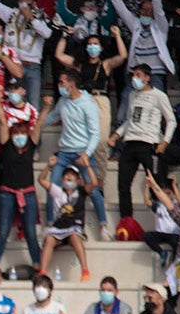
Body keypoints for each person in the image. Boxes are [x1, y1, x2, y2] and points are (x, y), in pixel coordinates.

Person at [54, 26, 128, 192]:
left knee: (101, 142)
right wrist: (65, 36)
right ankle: (80, 180)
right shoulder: (80, 64)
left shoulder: (105, 64)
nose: (92, 47)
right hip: (83, 101)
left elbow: (123, 56)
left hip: (101, 100)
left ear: (101, 47)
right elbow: (59, 56)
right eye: (90, 44)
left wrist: (117, 35)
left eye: (96, 44)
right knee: (83, 140)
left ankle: (99, 182)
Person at [42, 70, 110, 240]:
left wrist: (87, 154)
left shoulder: (88, 104)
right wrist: (35, 124)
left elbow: (95, 134)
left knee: (93, 189)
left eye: (61, 82)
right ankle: (51, 223)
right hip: (64, 152)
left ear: (71, 84)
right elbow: (52, 117)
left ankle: (103, 225)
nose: (59, 86)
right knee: (53, 187)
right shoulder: (63, 102)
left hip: (82, 152)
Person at [107, 64, 175, 220]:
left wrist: (165, 141)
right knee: (123, 185)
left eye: (138, 75)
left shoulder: (159, 95)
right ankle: (126, 221)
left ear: (147, 77)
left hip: (149, 145)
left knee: (157, 184)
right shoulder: (132, 95)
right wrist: (116, 135)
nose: (135, 78)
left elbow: (171, 120)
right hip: (130, 143)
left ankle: (166, 219)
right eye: (133, 75)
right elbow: (129, 120)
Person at [0, 98, 47, 272]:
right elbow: (2, 122)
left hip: (28, 194)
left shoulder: (30, 146)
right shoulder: (6, 145)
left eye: (22, 134)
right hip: (7, 194)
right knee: (2, 232)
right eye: (16, 134)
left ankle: (38, 266)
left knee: (31, 233)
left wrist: (45, 107)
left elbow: (38, 125)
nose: (19, 137)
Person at [0, 0, 52, 108]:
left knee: (33, 104)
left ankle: (32, 127)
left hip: (32, 66)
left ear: (33, 2)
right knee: (13, 102)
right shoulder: (11, 14)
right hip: (13, 65)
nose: (24, 2)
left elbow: (47, 34)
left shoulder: (40, 16)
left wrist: (32, 19)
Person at [38, 155, 94, 281]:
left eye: (72, 176)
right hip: (58, 227)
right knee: (49, 240)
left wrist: (88, 166)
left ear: (78, 180)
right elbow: (41, 180)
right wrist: (48, 166)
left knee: (74, 237)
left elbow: (94, 183)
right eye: (66, 175)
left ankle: (85, 270)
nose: (69, 177)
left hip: (74, 226)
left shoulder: (81, 192)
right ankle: (42, 272)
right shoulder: (57, 191)